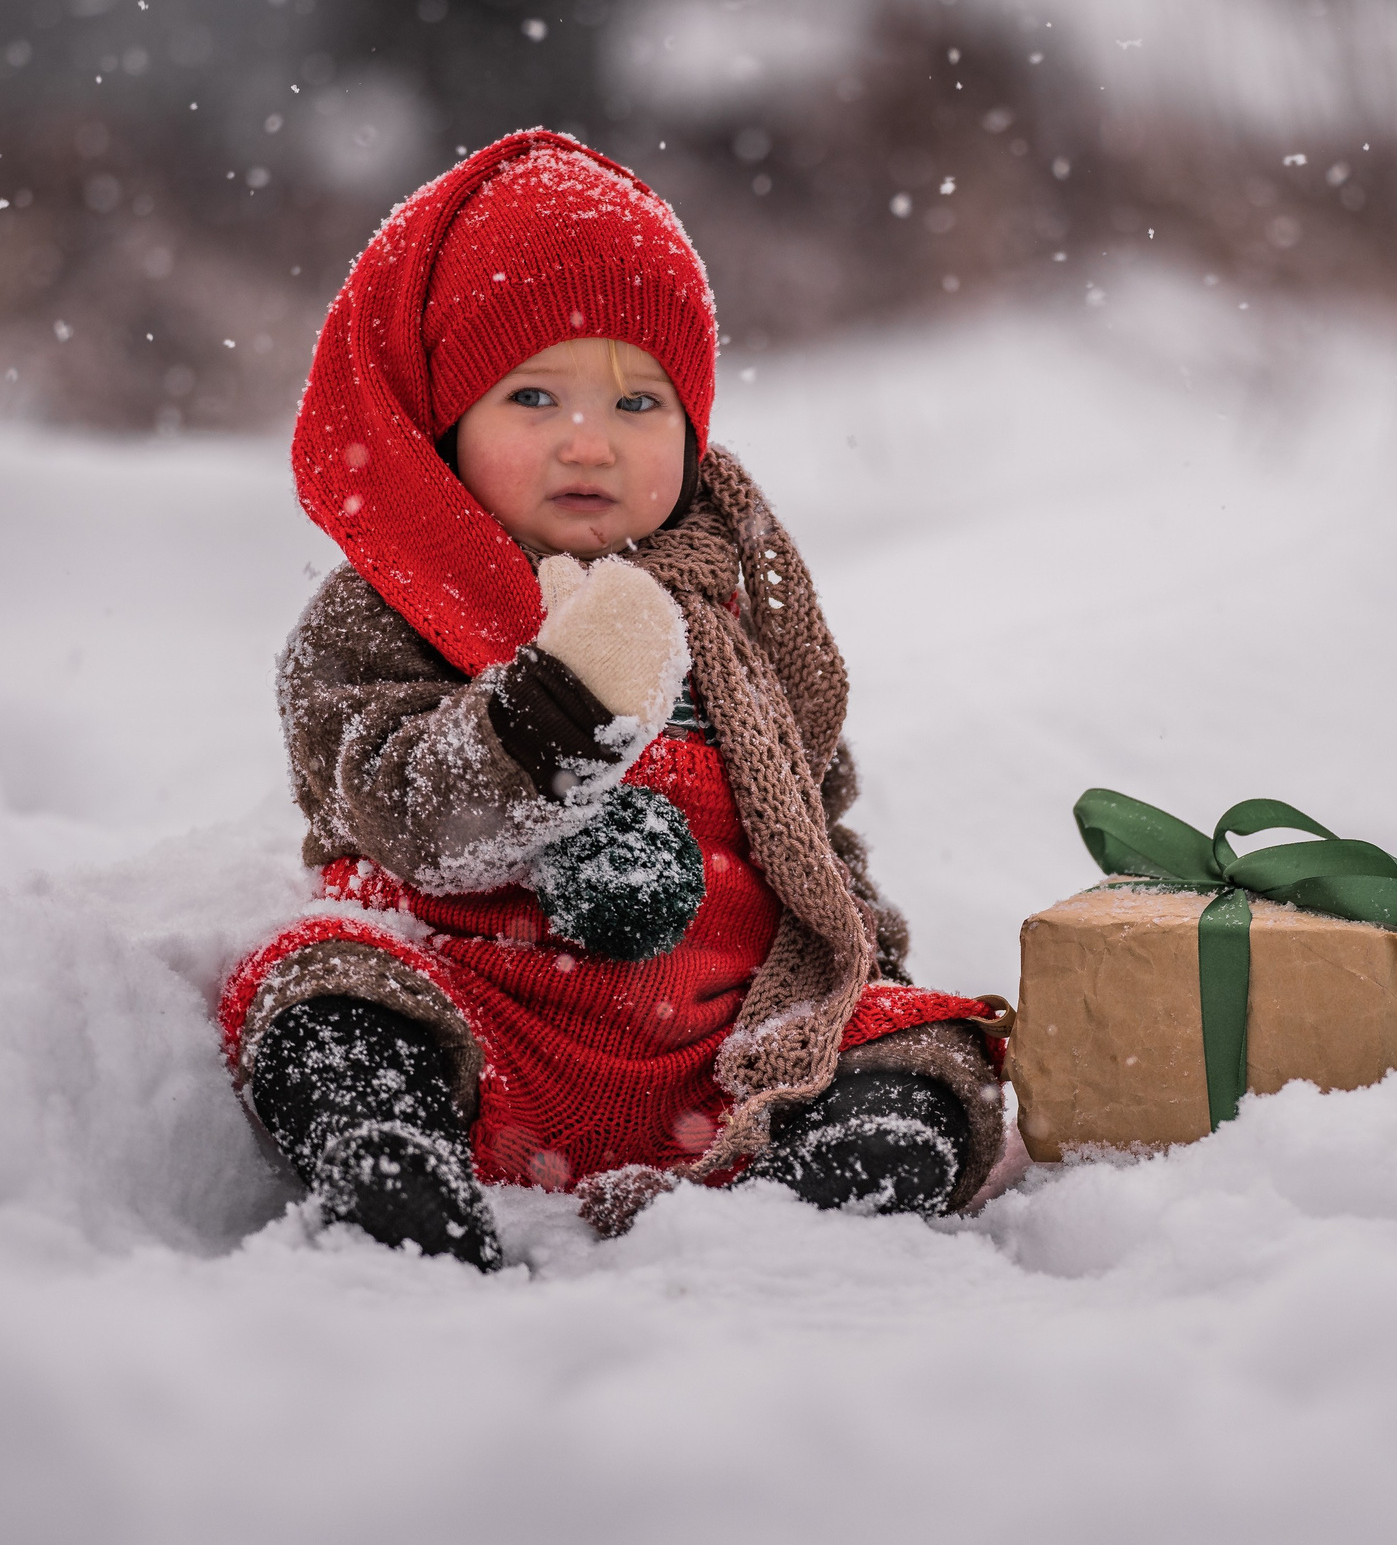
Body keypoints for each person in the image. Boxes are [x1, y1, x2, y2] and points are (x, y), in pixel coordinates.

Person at [216, 130, 1006, 1271]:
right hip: (486, 1028)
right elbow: (395, 802)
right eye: (533, 395)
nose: (590, 440)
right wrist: (545, 762)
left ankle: (831, 1178)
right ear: (443, 418)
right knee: (316, 988)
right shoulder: (385, 612)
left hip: (716, 1059)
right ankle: (392, 1159)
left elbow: (813, 829)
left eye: (641, 403)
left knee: (930, 1048)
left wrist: (852, 966)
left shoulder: (731, 619)